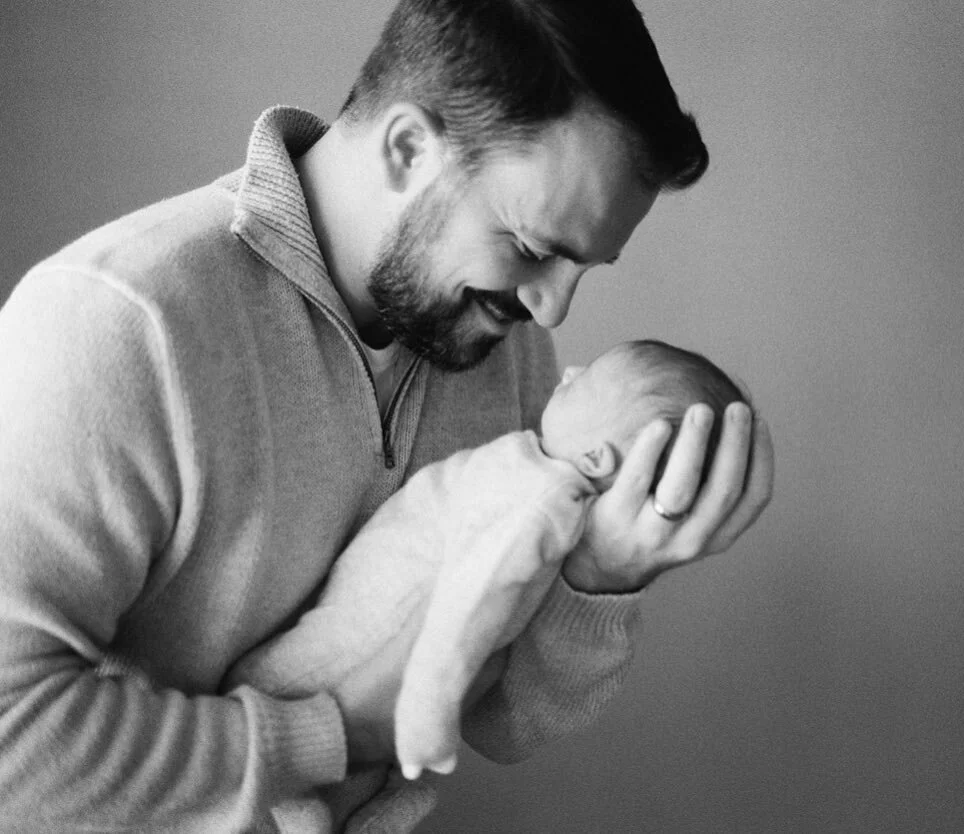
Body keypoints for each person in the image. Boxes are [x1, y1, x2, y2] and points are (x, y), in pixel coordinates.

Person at [0, 0, 773, 832]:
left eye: (583, 268)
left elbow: (505, 723)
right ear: (407, 149)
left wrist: (598, 576)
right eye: (531, 248)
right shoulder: (116, 323)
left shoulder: (505, 350)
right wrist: (332, 734)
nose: (551, 310)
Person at [221, 339, 747, 789]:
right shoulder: (533, 471)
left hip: (329, 661)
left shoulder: (543, 501)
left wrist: (424, 704)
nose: (568, 372)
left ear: (595, 459)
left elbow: (478, 594)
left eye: (585, 384)